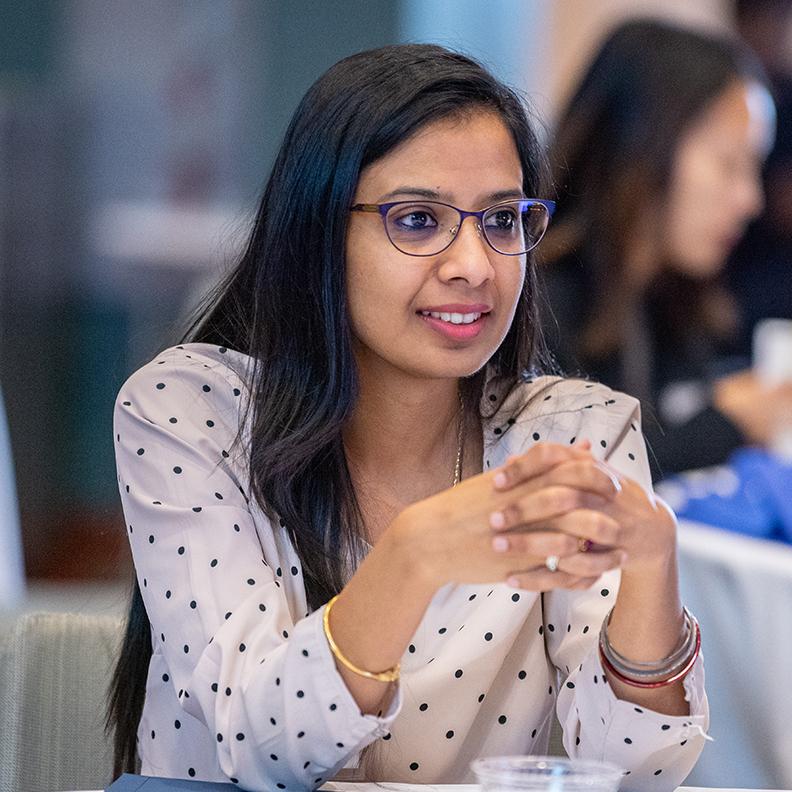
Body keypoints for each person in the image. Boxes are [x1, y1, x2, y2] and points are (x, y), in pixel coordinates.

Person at [107, 44, 708, 790]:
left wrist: (654, 571)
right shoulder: (190, 411)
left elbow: (632, 777)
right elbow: (261, 750)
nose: (475, 266)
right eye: (419, 219)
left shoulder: (575, 430)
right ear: (319, 230)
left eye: (501, 220)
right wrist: (415, 556)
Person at [539, 19, 788, 480]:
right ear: (643, 148)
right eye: (729, 164)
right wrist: (727, 424)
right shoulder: (543, 305)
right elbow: (577, 476)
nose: (750, 201)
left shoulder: (675, 305)